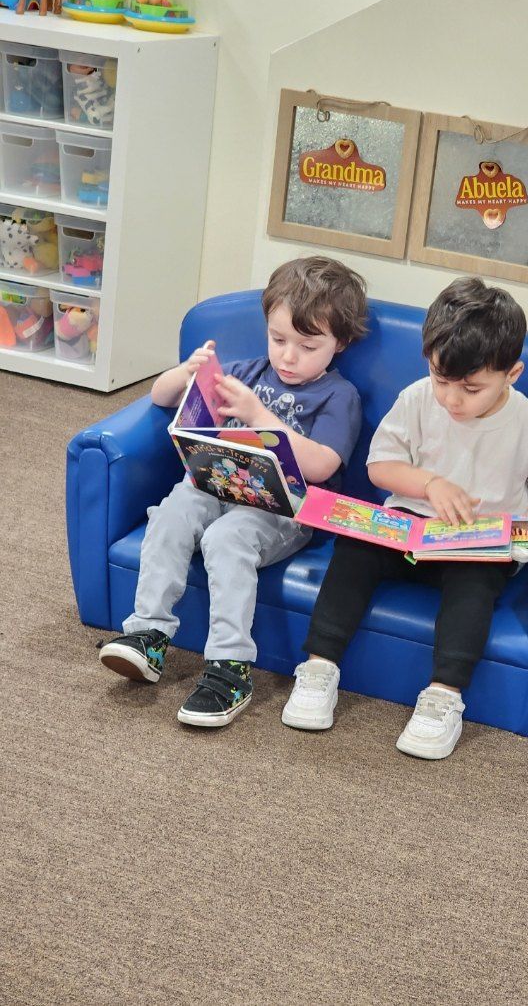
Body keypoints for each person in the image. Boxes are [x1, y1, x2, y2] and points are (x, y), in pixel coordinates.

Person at [281, 276, 528, 760]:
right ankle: (318, 668)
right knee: (354, 549)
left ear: (512, 374)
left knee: (475, 585)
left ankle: (443, 697)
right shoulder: (417, 398)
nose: (452, 399)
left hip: (475, 546)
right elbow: (381, 467)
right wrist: (430, 484)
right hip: (408, 530)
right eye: (441, 380)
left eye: (471, 388)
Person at [98, 256, 367, 728]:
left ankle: (230, 666)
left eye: (307, 346)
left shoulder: (337, 395)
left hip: (283, 509)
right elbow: (161, 396)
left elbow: (322, 465)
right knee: (171, 511)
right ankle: (148, 634)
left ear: (339, 343)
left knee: (225, 539)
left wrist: (259, 415)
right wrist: (186, 371)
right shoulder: (247, 372)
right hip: (217, 484)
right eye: (278, 339)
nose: (288, 357)